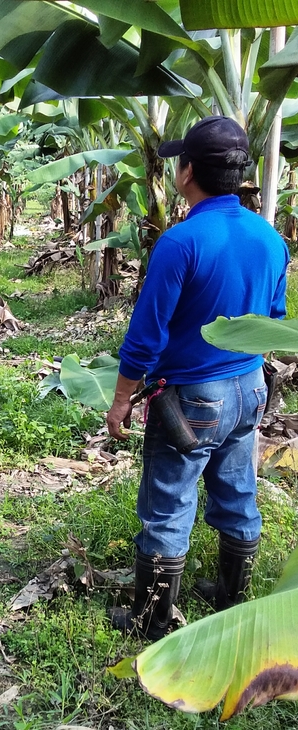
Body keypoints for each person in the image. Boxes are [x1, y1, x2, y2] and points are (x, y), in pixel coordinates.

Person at [106, 116, 289, 640]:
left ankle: (151, 621)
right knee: (236, 491)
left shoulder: (180, 242)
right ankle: (232, 596)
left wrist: (120, 400)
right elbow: (271, 317)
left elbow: (146, 335)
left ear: (187, 172)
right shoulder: (270, 239)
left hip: (191, 398)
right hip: (250, 388)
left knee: (168, 505)